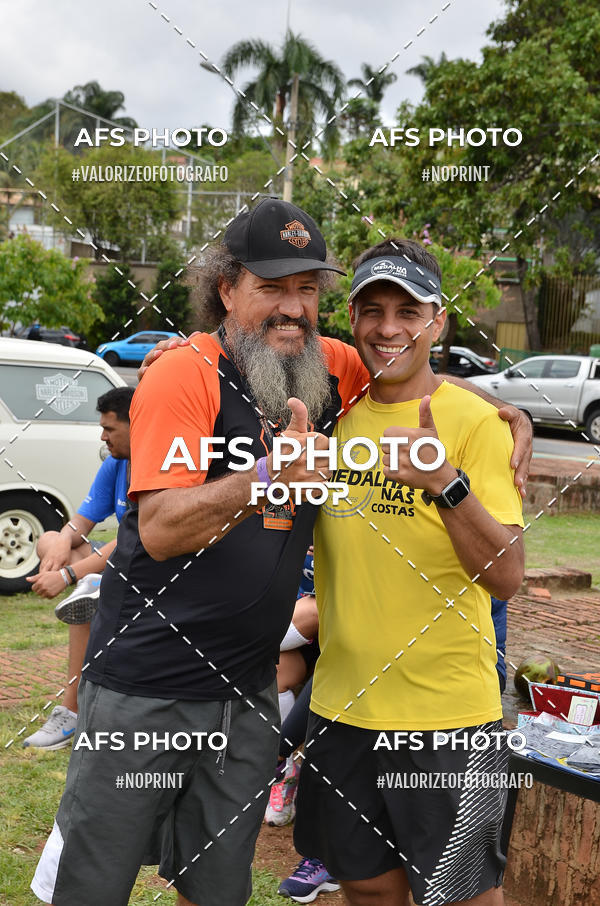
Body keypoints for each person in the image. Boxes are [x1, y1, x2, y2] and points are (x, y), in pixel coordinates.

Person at [31, 199, 531, 906]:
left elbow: (409, 371)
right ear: (226, 289)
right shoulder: (185, 375)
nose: (293, 306)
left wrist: (509, 413)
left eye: (307, 288)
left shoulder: (330, 369)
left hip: (251, 697)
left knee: (215, 887)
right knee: (95, 881)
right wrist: (268, 476)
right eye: (271, 286)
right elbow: (164, 529)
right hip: (149, 687)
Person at [294, 238, 525, 906]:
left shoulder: (477, 423)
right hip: (342, 712)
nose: (389, 327)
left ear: (438, 321)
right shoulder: (332, 420)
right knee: (366, 890)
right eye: (372, 309)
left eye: (408, 309)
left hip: (447, 718)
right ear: (355, 318)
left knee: (461, 898)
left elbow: (507, 576)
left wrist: (446, 485)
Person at [22, 386, 134, 750]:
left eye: (109, 429)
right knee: (50, 540)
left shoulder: (158, 462)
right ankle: (91, 588)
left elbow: (131, 541)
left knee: (84, 594)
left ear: (137, 425)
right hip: (117, 565)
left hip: (151, 572)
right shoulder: (115, 462)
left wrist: (68, 575)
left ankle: (70, 712)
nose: (102, 437)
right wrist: (58, 540)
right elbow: (80, 524)